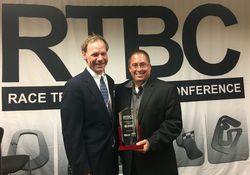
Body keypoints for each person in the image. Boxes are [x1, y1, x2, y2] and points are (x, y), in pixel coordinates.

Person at [115, 49, 182, 175]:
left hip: (157, 163)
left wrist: (151, 142)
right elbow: (116, 123)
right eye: (135, 65)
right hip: (130, 164)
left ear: (150, 67)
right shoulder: (120, 91)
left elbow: (174, 124)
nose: (139, 69)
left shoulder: (166, 90)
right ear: (129, 68)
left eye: (143, 64)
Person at [61, 34, 118, 175]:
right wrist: (82, 169)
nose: (100, 59)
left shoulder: (110, 82)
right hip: (89, 165)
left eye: (103, 53)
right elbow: (71, 135)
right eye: (95, 54)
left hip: (110, 161)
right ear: (84, 55)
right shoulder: (74, 86)